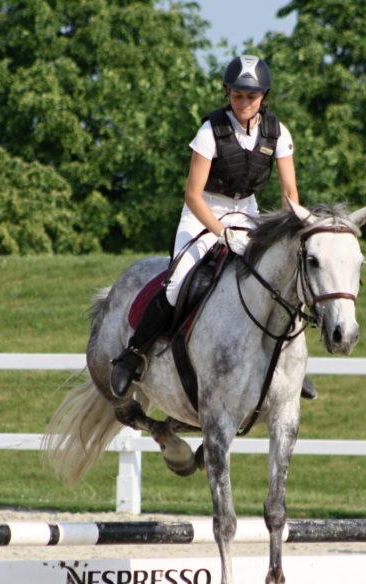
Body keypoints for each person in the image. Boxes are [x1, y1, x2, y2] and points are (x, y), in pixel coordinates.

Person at [110, 55, 311, 400]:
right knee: (177, 284)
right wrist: (222, 233)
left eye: (251, 96)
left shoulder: (277, 132)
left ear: (263, 96)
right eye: (237, 95)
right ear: (227, 93)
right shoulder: (210, 132)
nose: (244, 102)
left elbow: (289, 193)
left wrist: (290, 232)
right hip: (204, 211)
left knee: (280, 280)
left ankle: (286, 366)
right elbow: (192, 194)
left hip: (248, 213)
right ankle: (133, 355)